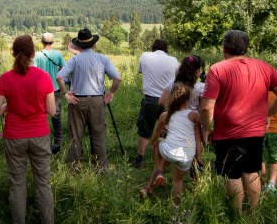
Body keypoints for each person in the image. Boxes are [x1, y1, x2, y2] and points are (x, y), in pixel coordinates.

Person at [201, 30, 277, 212]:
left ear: (224, 49)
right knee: (251, 172)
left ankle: (236, 215)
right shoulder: (264, 67)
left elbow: (206, 107)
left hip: (226, 131)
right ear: (246, 49)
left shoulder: (217, 69)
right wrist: (267, 113)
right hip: (255, 131)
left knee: (232, 175)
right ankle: (252, 214)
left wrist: (206, 129)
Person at [0, 35, 56, 224]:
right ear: (33, 54)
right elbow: (52, 111)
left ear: (13, 53)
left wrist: (10, 105)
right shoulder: (44, 77)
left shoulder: (5, 78)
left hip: (14, 136)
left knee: (17, 184)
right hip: (39, 135)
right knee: (43, 183)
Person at [56, 28, 122, 171]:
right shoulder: (103, 59)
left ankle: (73, 167)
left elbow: (59, 77)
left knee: (75, 135)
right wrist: (110, 92)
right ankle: (100, 168)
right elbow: (118, 78)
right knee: (98, 135)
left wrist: (66, 93)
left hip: (77, 101)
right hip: (97, 101)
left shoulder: (74, 59)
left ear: (79, 46)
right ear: (94, 44)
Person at [139, 82, 202, 204]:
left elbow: (155, 135)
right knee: (177, 181)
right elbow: (198, 139)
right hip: (186, 156)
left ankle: (158, 172)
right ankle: (175, 208)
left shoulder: (165, 115)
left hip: (169, 152)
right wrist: (199, 158)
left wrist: (153, 144)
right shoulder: (194, 115)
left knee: (160, 141)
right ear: (187, 99)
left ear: (171, 98)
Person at [133, 39, 179, 169]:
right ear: (166, 49)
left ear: (153, 48)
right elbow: (177, 77)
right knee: (167, 128)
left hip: (150, 99)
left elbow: (140, 71)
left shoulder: (145, 56)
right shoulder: (173, 60)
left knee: (145, 129)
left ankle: (140, 158)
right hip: (168, 100)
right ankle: (167, 157)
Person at [33, 32, 66, 150]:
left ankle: (42, 139)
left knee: (39, 115)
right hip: (55, 89)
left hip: (40, 89)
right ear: (52, 42)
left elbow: (33, 71)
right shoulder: (58, 54)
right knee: (56, 116)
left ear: (41, 42)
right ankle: (59, 140)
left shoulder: (37, 55)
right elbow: (64, 69)